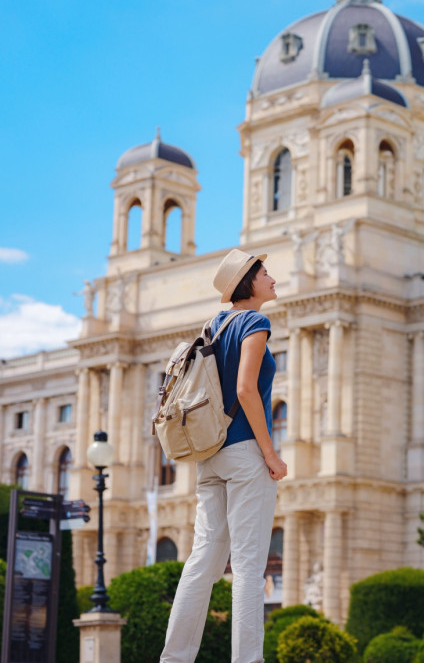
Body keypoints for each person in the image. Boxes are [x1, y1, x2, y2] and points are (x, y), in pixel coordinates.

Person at [161, 248, 288, 663]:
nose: (272, 277)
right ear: (248, 283)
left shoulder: (213, 325)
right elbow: (246, 391)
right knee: (250, 568)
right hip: (244, 453)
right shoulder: (255, 321)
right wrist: (270, 454)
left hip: (209, 456)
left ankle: (175, 658)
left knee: (202, 562)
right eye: (264, 272)